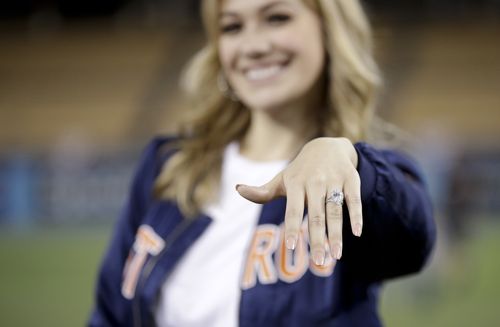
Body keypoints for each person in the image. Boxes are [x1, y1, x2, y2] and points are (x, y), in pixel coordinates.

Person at [89, 0, 436, 326]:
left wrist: (350, 161)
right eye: (232, 27)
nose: (252, 46)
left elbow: (412, 237)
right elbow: (110, 314)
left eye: (276, 18)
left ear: (330, 30)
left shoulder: (355, 173)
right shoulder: (167, 165)